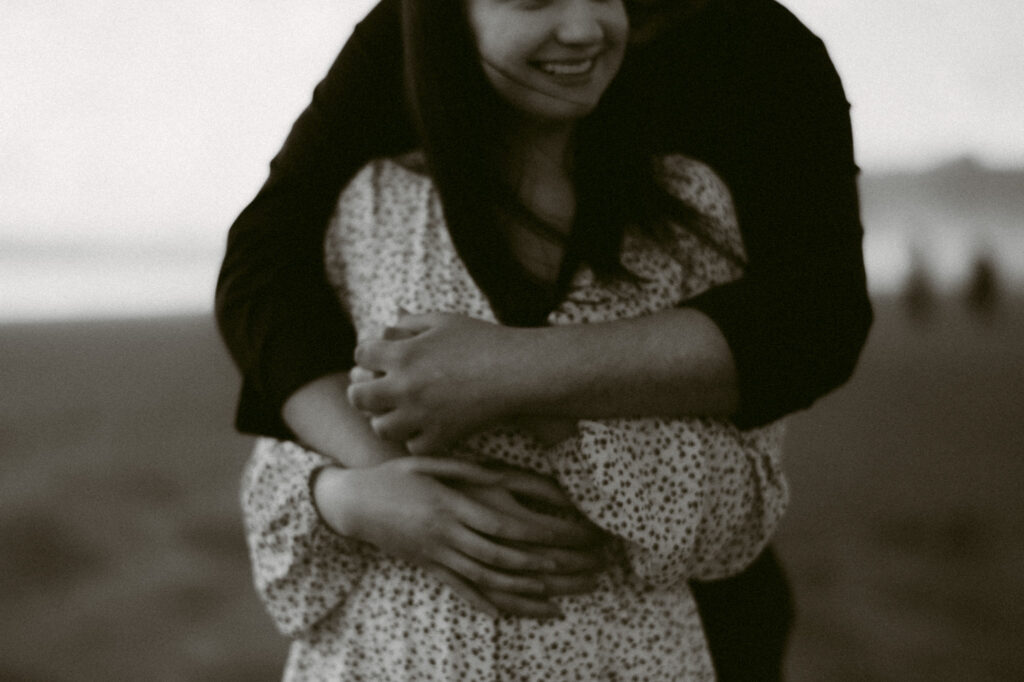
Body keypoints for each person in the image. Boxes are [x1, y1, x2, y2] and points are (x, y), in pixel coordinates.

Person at [218, 0, 873, 678]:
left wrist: (518, 379)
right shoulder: (375, 200)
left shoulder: (740, 101)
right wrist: (372, 486)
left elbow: (817, 321)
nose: (583, 26)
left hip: (659, 641)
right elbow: (263, 280)